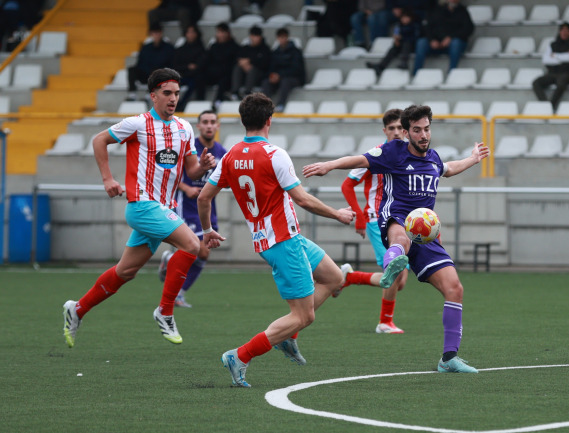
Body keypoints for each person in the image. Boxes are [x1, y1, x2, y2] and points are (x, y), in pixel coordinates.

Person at [303, 104, 490, 373]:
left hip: (426, 236)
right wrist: (329, 165)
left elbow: (449, 168)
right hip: (396, 220)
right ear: (406, 132)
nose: (423, 135)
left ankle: (449, 358)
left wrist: (472, 159)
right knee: (401, 239)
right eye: (417, 130)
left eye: (426, 129)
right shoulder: (393, 152)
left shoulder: (433, 159)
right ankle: (393, 263)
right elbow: (360, 160)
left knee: (455, 289)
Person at [196, 92, 355, 387]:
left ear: (243, 121)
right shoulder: (274, 154)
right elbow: (302, 199)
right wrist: (338, 214)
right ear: (269, 120)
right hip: (283, 241)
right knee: (304, 316)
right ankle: (240, 355)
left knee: (334, 278)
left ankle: (287, 335)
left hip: (275, 239)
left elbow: (204, 198)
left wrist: (207, 230)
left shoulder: (230, 156)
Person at [62, 68, 217, 348]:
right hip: (143, 206)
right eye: (167, 93)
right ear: (153, 95)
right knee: (192, 245)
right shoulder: (137, 123)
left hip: (164, 210)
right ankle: (165, 311)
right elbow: (99, 140)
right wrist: (108, 179)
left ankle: (77, 309)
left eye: (176, 93)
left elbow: (191, 170)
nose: (173, 98)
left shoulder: (184, 128)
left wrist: (203, 167)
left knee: (126, 272)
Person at [338, 108, 409, 334]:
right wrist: (359, 216)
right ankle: (385, 322)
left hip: (400, 221)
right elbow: (347, 185)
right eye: (392, 128)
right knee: (394, 273)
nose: (396, 132)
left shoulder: (410, 154)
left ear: (407, 130)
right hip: (377, 220)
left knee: (400, 281)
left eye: (400, 128)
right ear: (384, 130)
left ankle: (350, 277)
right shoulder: (375, 155)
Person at [158, 110, 228, 308]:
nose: (209, 125)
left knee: (205, 253)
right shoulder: (189, 148)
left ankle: (178, 291)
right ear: (198, 126)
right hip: (187, 206)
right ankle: (172, 263)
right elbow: (169, 173)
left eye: (212, 122)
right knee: (200, 250)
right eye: (205, 122)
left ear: (217, 126)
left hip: (208, 208)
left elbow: (225, 179)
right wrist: (186, 188)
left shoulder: (221, 152)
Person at [412, 0, 474, 75]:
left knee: (456, 43)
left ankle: (452, 73)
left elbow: (468, 29)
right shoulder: (436, 10)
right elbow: (428, 27)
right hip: (435, 43)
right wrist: (432, 40)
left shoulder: (463, 11)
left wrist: (451, 37)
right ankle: (416, 73)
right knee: (421, 42)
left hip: (453, 44)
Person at [532, 22, 569, 111]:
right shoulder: (553, 44)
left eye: (566, 30)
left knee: (561, 82)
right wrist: (562, 58)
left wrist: (554, 55)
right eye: (562, 30)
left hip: (568, 72)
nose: (564, 32)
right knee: (536, 83)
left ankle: (551, 106)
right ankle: (545, 105)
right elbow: (545, 60)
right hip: (553, 73)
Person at [261, 27, 305, 112]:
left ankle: (281, 104)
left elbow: (296, 69)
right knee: (266, 82)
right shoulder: (275, 53)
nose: (282, 39)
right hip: (279, 78)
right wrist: (272, 75)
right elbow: (271, 67)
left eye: (284, 37)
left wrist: (280, 75)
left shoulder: (295, 52)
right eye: (280, 37)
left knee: (285, 81)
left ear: (287, 37)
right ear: (277, 38)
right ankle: (265, 105)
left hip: (294, 78)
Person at [127, 23, 175, 101]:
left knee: (156, 72)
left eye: (158, 33)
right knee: (132, 70)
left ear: (161, 33)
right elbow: (140, 63)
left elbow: (171, 64)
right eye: (154, 33)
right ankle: (132, 95)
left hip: (160, 77)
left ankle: (148, 96)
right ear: (151, 34)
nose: (156, 35)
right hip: (146, 74)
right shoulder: (146, 48)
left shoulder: (168, 48)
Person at [365, 9, 421, 75]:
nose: (405, 20)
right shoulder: (398, 26)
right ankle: (380, 66)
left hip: (412, 46)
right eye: (403, 18)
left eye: (407, 18)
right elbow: (396, 35)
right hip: (400, 45)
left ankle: (404, 63)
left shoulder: (414, 26)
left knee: (406, 44)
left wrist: (403, 38)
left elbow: (415, 38)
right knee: (392, 50)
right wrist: (396, 40)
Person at [195, 22, 239, 105]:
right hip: (213, 73)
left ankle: (217, 102)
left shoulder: (234, 47)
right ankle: (200, 101)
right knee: (200, 77)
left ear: (228, 33)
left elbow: (233, 64)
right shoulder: (214, 46)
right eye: (219, 32)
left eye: (223, 32)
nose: (221, 35)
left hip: (226, 75)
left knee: (224, 81)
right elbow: (206, 59)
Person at [230, 25, 271, 100]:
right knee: (237, 68)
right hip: (244, 74)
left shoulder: (265, 49)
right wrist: (244, 64)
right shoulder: (245, 48)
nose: (256, 38)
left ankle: (247, 92)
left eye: (257, 36)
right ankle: (235, 92)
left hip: (259, 75)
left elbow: (265, 63)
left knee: (252, 69)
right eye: (254, 36)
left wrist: (250, 62)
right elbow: (238, 59)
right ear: (250, 36)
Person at [172, 24, 205, 112]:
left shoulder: (201, 49)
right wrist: (187, 67)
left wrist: (187, 68)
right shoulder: (180, 50)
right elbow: (175, 65)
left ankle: (181, 105)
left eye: (193, 32)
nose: (191, 34)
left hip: (194, 77)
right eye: (189, 32)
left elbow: (200, 66)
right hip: (181, 75)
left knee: (195, 82)